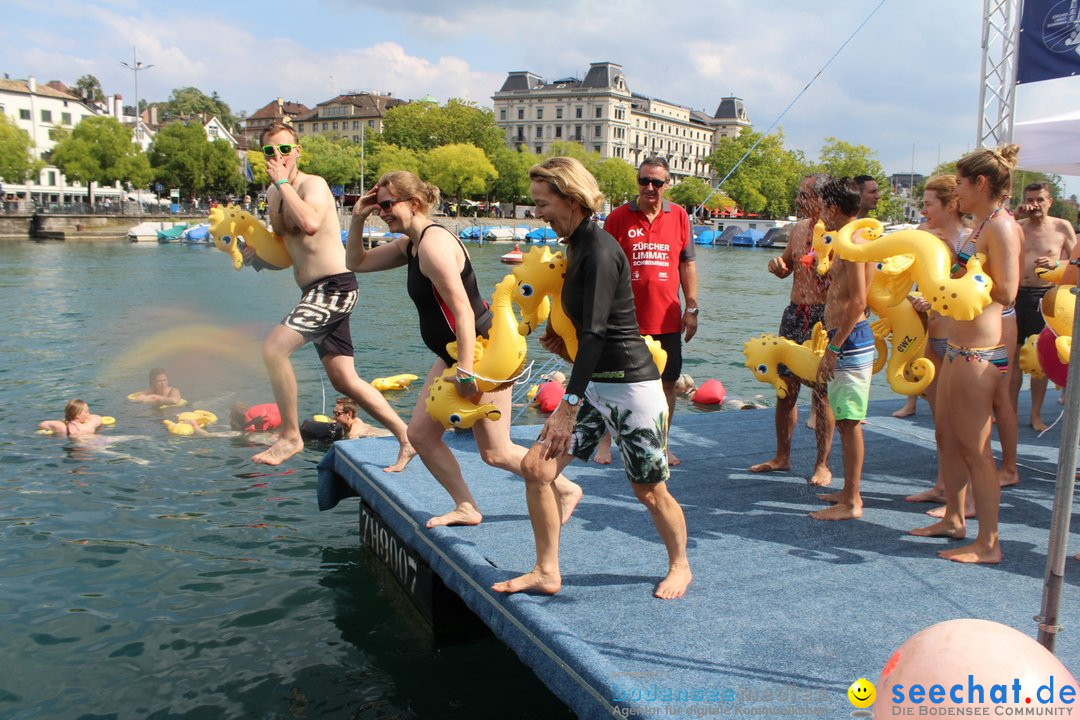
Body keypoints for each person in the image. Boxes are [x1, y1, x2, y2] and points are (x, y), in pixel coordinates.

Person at [492, 157, 691, 599]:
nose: (537, 212)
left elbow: (600, 331)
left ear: (572, 198)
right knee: (536, 468)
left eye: (543, 203)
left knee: (649, 491)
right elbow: (587, 329)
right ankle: (546, 571)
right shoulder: (575, 246)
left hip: (631, 388)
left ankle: (680, 564)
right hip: (595, 385)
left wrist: (567, 404)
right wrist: (565, 346)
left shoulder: (598, 250)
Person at [345, 170, 582, 529]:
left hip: (485, 351)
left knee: (495, 452)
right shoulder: (411, 243)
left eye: (387, 205)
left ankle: (564, 487)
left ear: (414, 203)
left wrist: (467, 370)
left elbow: (462, 312)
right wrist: (359, 217)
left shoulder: (432, 245)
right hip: (456, 351)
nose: (383, 212)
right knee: (421, 436)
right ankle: (466, 507)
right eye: (379, 206)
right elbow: (356, 263)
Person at [242, 121, 414, 468]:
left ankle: (290, 436)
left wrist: (281, 182)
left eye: (285, 149)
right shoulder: (273, 195)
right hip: (313, 291)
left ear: (297, 151)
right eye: (270, 150)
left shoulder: (312, 186)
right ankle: (407, 436)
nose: (278, 156)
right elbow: (292, 253)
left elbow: (309, 224)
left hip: (334, 286)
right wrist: (258, 258)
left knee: (273, 350)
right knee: (344, 379)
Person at [911, 145, 1022, 564]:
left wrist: (957, 286)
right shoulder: (982, 224)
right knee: (951, 438)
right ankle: (954, 519)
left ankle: (989, 543)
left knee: (976, 449)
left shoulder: (1002, 228)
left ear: (980, 183)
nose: (955, 189)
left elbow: (1008, 291)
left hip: (983, 350)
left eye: (960, 182)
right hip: (959, 345)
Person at [596, 157, 698, 466]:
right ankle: (605, 443)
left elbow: (687, 263)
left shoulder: (679, 216)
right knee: (612, 381)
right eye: (644, 181)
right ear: (637, 182)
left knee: (667, 384)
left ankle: (661, 446)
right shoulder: (617, 218)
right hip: (624, 319)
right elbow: (603, 265)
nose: (650, 188)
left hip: (667, 317)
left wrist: (691, 306)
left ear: (668, 184)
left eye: (656, 182)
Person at [749, 174, 835, 486]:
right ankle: (782, 456)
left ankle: (822, 464)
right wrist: (778, 267)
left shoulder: (839, 232)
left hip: (823, 318)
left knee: (823, 394)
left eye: (804, 195)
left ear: (824, 197)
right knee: (785, 390)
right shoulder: (798, 229)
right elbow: (788, 266)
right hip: (794, 314)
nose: (798, 200)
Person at [811, 178, 875, 521]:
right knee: (846, 417)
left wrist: (834, 347)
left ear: (834, 208)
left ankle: (852, 502)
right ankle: (849, 491)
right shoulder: (852, 239)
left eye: (823, 206)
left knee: (850, 422)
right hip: (846, 337)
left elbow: (860, 300)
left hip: (850, 341)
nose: (820, 212)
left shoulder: (853, 242)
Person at [1017, 183, 1077, 431]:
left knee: (1039, 361)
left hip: (1047, 297)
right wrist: (1014, 217)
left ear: (1050, 201)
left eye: (1040, 199)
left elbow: (1076, 263)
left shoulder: (1062, 227)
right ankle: (1007, 410)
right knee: (1014, 358)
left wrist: (1056, 262)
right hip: (1018, 295)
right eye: (1030, 199)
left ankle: (1036, 414)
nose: (1035, 205)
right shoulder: (1017, 227)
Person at [38, 399, 105, 438]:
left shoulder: (62, 427)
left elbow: (42, 424)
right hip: (90, 442)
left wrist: (63, 422)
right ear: (77, 415)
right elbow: (98, 418)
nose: (89, 414)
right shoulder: (88, 425)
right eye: (86, 412)